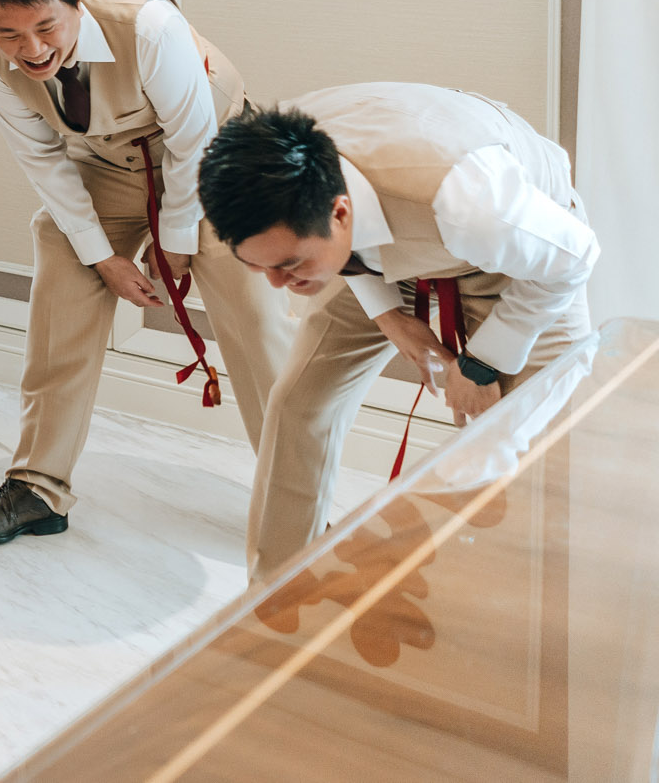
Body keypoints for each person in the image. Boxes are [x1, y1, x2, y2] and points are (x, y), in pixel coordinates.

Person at [0, 0, 294, 547]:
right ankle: (36, 488)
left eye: (46, 27)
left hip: (222, 159)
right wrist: (102, 258)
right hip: (109, 163)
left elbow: (192, 142)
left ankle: (300, 500)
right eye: (10, 34)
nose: (31, 49)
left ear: (75, 1)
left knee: (257, 324)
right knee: (63, 266)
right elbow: (41, 158)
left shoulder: (149, 26)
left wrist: (174, 244)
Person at [196, 85, 599, 583]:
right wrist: (390, 317)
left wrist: (484, 363)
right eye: (261, 266)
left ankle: (522, 599)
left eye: (290, 265)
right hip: (374, 248)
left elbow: (575, 258)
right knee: (298, 401)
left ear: (339, 213)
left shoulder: (473, 203)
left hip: (525, 265)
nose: (278, 284)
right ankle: (278, 591)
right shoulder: (275, 172)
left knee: (544, 446)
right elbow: (344, 251)